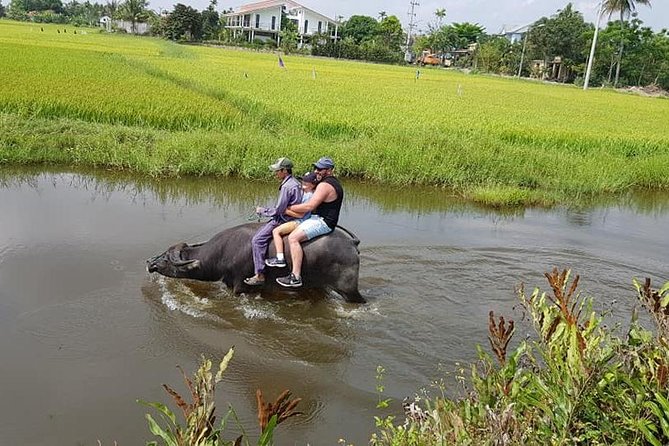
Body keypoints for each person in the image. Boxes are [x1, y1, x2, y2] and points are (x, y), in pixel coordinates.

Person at [276, 157, 343, 288]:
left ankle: (295, 277)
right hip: (322, 218)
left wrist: (287, 208)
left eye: (320, 169)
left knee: (293, 238)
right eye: (316, 168)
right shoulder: (333, 182)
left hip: (323, 221)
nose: (316, 171)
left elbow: (309, 206)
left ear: (329, 170)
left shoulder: (325, 185)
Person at [243, 157, 302, 286]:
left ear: (285, 171)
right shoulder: (296, 183)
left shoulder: (287, 186)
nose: (276, 173)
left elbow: (279, 210)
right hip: (296, 218)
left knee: (257, 240)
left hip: (284, 219)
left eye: (277, 171)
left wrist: (262, 211)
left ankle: (259, 274)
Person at [264, 171, 319, 268]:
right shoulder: (306, 193)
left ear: (313, 185)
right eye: (303, 182)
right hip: (299, 219)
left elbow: (301, 215)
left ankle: (280, 258)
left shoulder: (309, 196)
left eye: (306, 183)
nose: (303, 185)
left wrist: (286, 211)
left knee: (276, 231)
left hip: (299, 221)